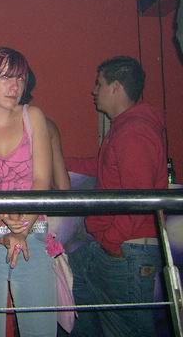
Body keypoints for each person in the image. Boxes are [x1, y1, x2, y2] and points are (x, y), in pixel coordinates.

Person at [66, 56, 167, 337]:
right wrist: (55, 161)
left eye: (99, 84)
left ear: (116, 87)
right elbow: (101, 167)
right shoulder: (126, 127)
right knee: (74, 279)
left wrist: (112, 241)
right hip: (120, 246)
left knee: (128, 331)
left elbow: (139, 197)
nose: (94, 90)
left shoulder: (135, 131)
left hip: (127, 248)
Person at [0, 47, 56, 337]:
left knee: (41, 330)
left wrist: (22, 229)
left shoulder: (33, 116)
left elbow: (42, 180)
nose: (15, 86)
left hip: (32, 233)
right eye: (5, 77)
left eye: (20, 78)